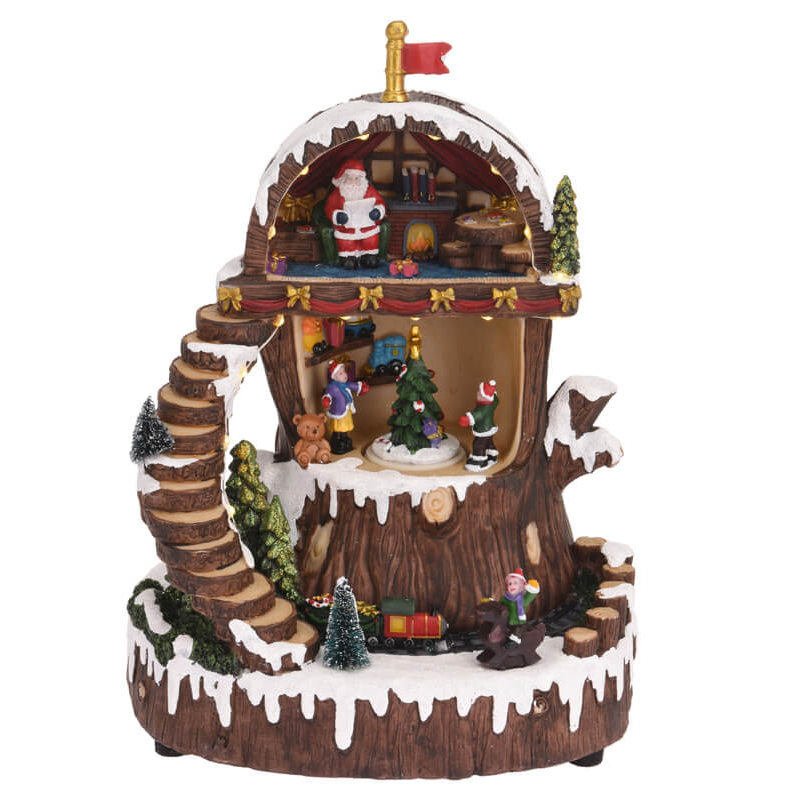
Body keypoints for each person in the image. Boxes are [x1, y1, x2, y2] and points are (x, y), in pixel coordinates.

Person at [324, 159, 386, 269]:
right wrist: (337, 215)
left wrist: (377, 211)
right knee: (346, 242)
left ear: (362, 179)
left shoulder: (368, 190)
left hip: (367, 228)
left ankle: (369, 256)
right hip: (347, 230)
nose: (353, 182)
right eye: (350, 178)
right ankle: (348, 258)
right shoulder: (338, 193)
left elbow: (380, 202)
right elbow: (329, 207)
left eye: (357, 178)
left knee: (370, 240)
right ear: (344, 179)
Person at [321, 359, 369, 454]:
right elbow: (328, 394)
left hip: (346, 410)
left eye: (344, 372)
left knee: (345, 425)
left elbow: (354, 386)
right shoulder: (333, 387)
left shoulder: (346, 384)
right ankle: (337, 439)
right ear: (334, 376)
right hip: (338, 411)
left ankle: (344, 437)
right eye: (341, 373)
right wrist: (326, 399)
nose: (344, 375)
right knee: (338, 427)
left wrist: (361, 387)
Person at [459, 380, 499, 471]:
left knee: (478, 444)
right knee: (488, 441)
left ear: (485, 397)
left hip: (483, 429)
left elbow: (477, 415)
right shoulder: (493, 402)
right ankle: (491, 455)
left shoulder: (483, 408)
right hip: (489, 428)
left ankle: (480, 461)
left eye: (480, 394)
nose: (477, 393)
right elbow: (496, 399)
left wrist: (467, 419)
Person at [498, 567, 540, 643]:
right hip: (508, 622)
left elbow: (531, 594)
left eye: (515, 583)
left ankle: (516, 641)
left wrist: (533, 586)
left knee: (519, 632)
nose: (512, 585)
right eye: (509, 584)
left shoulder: (523, 599)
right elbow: (498, 605)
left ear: (522, 586)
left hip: (519, 623)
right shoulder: (505, 598)